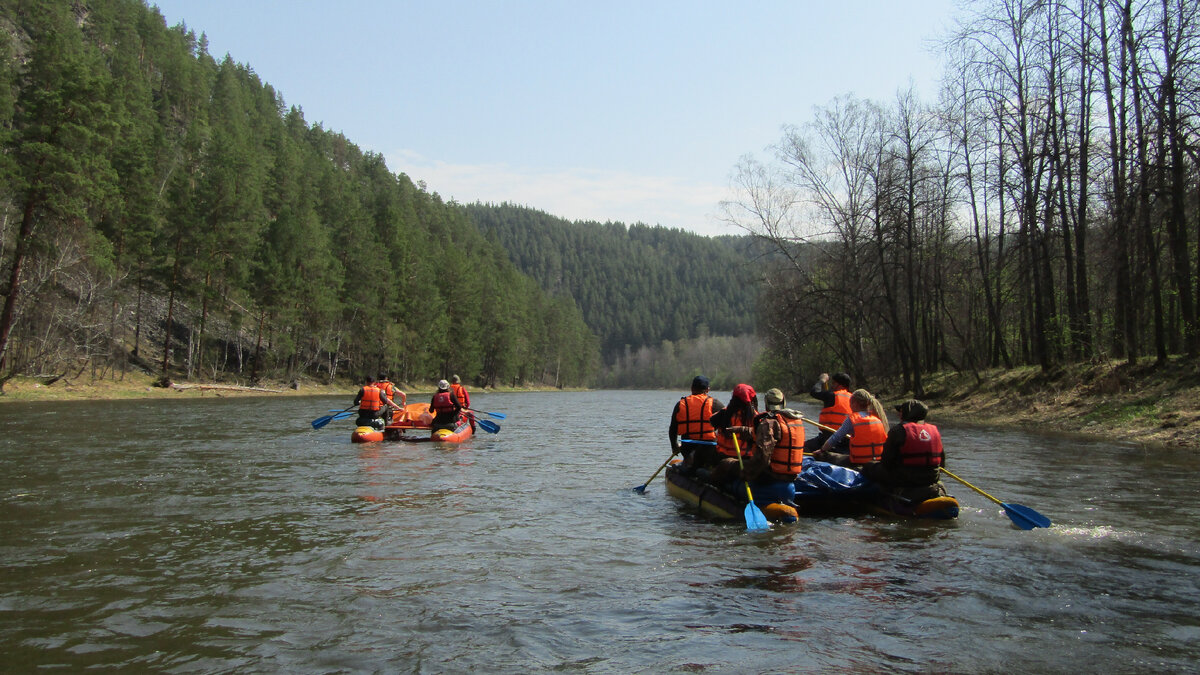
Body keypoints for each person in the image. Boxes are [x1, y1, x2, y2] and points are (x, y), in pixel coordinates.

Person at [860, 399, 946, 500]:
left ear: (906, 414)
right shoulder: (934, 431)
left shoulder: (898, 431)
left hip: (905, 479)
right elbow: (942, 463)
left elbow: (886, 462)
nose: (898, 415)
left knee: (868, 466)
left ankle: (873, 495)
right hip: (931, 478)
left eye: (900, 412)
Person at [743, 388, 806, 501]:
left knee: (728, 464)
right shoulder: (797, 421)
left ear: (766, 404)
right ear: (783, 403)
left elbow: (763, 458)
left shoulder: (769, 423)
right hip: (792, 476)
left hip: (772, 474)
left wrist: (749, 473)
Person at [811, 388, 889, 468]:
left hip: (859, 462)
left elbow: (835, 438)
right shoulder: (877, 419)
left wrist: (822, 450)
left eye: (850, 403)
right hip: (876, 461)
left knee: (826, 455)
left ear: (854, 403)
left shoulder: (853, 419)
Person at [668, 375, 724, 471]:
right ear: (707, 390)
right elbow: (727, 425)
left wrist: (675, 446)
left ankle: (690, 463)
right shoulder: (715, 404)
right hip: (709, 449)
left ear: (692, 388)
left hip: (688, 448)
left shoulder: (680, 404)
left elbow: (672, 429)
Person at [706, 383, 758, 485]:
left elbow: (712, 421)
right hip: (746, 461)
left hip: (722, 458)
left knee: (702, 468)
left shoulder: (723, 413)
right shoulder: (756, 417)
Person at [806, 372, 853, 452]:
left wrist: (822, 380)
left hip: (829, 438)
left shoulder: (832, 396)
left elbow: (814, 392)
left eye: (834, 383)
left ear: (840, 384)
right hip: (847, 439)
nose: (832, 386)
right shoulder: (854, 398)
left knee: (802, 447)